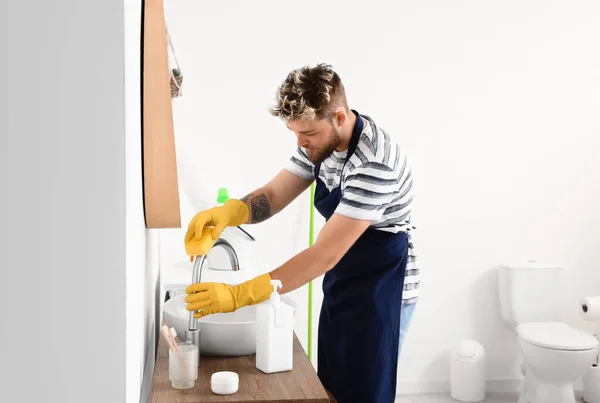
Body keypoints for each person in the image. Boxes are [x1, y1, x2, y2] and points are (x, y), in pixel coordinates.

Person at [183, 63, 419, 403]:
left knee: (365, 394)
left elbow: (324, 254)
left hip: (383, 289)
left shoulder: (374, 164)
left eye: (307, 134)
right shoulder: (320, 142)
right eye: (295, 133)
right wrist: (228, 213)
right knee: (332, 388)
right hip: (344, 280)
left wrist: (240, 295)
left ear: (339, 117)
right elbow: (275, 195)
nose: (300, 142)